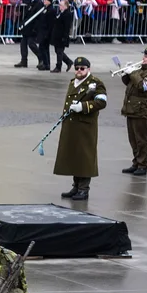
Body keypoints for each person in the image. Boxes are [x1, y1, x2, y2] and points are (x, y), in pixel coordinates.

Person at [53, 56, 107, 201]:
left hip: (85, 126)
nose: (79, 71)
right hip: (72, 125)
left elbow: (101, 102)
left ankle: (83, 189)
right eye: (76, 68)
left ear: (88, 69)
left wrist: (82, 107)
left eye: (82, 68)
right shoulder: (73, 82)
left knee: (84, 158)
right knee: (74, 157)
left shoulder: (95, 83)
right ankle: (76, 186)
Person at [120, 47, 147, 176]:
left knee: (141, 139)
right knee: (133, 139)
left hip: (142, 109)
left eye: (146, 56)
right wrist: (126, 73)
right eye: (144, 56)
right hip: (131, 108)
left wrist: (133, 73)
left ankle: (142, 165)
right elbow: (129, 83)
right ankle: (136, 162)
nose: (143, 58)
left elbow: (143, 86)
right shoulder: (141, 69)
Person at [15, 0, 45, 69]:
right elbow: (27, 14)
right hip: (27, 27)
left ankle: (41, 59)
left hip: (33, 28)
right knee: (23, 43)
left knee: (31, 44)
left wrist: (35, 28)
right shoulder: (30, 2)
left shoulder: (38, 3)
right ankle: (24, 60)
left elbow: (38, 17)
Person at [50, 0, 73, 73]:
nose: (59, 6)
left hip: (62, 36)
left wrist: (65, 37)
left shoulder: (67, 14)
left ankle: (58, 66)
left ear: (66, 6)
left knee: (59, 51)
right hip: (57, 35)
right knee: (57, 51)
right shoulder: (60, 13)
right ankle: (69, 62)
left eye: (61, 5)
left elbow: (67, 27)